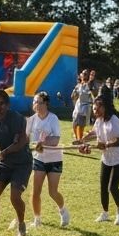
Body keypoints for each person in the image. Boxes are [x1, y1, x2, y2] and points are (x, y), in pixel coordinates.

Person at [0, 89, 31, 236]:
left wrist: (4, 152)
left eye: (1, 103)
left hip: (22, 163)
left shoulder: (17, 118)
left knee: (15, 197)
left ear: (8, 105)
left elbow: (21, 142)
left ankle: (22, 223)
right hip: (4, 163)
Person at [81, 95, 119, 225]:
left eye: (97, 109)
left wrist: (107, 144)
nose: (94, 111)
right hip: (107, 157)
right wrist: (84, 139)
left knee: (113, 187)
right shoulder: (99, 121)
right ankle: (105, 213)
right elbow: (94, 133)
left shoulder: (114, 121)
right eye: (94, 109)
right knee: (103, 186)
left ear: (104, 108)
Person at [27, 91, 69, 228]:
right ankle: (37, 219)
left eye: (38, 102)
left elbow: (56, 140)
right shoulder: (31, 119)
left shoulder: (53, 118)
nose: (35, 105)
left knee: (52, 191)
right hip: (39, 159)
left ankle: (62, 210)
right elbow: (26, 138)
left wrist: (43, 143)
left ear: (46, 104)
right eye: (34, 102)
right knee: (35, 191)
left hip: (54, 159)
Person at [70, 73, 93, 142]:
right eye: (83, 74)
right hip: (78, 107)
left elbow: (91, 94)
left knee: (81, 125)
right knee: (74, 124)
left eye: (86, 74)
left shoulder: (89, 85)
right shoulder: (78, 86)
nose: (84, 76)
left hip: (84, 107)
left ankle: (79, 139)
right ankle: (78, 138)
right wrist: (74, 94)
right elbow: (73, 96)